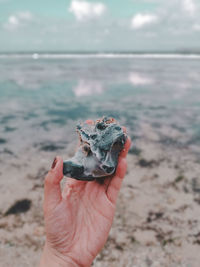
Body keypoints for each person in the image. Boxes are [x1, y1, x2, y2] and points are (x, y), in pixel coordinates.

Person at [40, 125, 131, 267]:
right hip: (101, 165)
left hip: (102, 163)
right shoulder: (103, 164)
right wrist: (62, 257)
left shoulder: (105, 160)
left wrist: (60, 258)